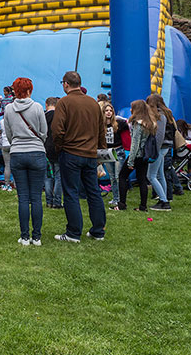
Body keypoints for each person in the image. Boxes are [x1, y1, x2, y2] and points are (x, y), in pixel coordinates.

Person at [51, 71, 107, 242]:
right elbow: (101, 131)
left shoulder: (64, 102)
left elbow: (57, 130)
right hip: (90, 154)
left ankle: (73, 232)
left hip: (71, 153)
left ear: (66, 84)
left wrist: (60, 147)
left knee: (71, 192)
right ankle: (98, 230)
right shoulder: (93, 103)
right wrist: (100, 152)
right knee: (94, 192)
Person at [3, 77, 48, 246]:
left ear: (15, 91)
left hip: (17, 153)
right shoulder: (37, 107)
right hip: (37, 152)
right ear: (30, 90)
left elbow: (8, 133)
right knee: (36, 197)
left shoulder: (8, 109)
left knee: (23, 197)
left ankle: (24, 236)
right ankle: (36, 236)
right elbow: (44, 132)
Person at [121, 100, 157, 212]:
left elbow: (135, 144)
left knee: (122, 176)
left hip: (137, 155)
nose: (130, 110)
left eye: (132, 108)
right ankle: (143, 206)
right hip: (145, 156)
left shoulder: (138, 124)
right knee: (142, 180)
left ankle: (121, 204)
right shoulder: (150, 124)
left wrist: (130, 161)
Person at [143, 94, 174, 211]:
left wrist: (154, 150)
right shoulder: (167, 113)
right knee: (160, 175)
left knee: (150, 175)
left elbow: (159, 135)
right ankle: (163, 198)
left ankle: (164, 202)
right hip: (165, 147)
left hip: (159, 147)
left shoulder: (160, 116)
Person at [100, 102, 130, 208]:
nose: (108, 112)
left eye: (110, 110)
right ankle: (115, 198)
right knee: (112, 177)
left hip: (118, 151)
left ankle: (121, 200)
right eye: (106, 110)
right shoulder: (100, 124)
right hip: (107, 152)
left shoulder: (119, 123)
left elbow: (129, 126)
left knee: (118, 176)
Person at [43, 97, 62, 209]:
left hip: (46, 149)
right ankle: (57, 201)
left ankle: (49, 201)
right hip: (57, 149)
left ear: (46, 104)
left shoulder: (43, 116)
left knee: (48, 176)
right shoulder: (59, 116)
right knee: (59, 176)